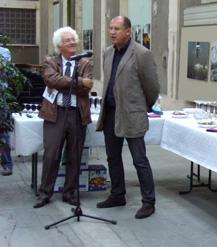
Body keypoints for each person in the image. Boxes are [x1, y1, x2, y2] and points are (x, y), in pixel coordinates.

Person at [96, 16, 159, 219]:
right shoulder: (107, 52)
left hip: (132, 114)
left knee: (139, 159)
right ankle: (117, 194)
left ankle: (148, 202)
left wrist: (141, 107)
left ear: (128, 31)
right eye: (110, 28)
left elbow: (152, 88)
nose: (112, 32)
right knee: (112, 157)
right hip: (111, 113)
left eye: (117, 28)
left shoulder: (141, 54)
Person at [33, 26, 93, 208]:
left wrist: (68, 83)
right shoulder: (50, 62)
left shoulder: (85, 63)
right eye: (68, 40)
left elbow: (87, 87)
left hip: (77, 114)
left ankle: (70, 192)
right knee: (51, 155)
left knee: (75, 155)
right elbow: (51, 80)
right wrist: (79, 81)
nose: (73, 42)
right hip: (55, 114)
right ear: (60, 45)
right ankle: (45, 193)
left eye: (74, 39)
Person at [0, 39, 13, 176]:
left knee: (2, 131)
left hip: (1, 95)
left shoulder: (4, 52)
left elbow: (3, 67)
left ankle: (7, 164)